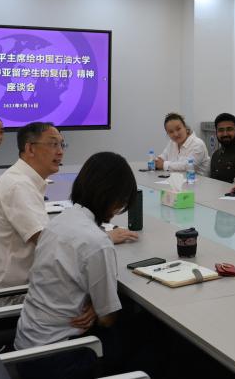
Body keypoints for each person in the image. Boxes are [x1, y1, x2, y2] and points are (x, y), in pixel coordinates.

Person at [14, 152, 149, 379]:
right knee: (153, 334)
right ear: (114, 199)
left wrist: (96, 305)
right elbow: (107, 319)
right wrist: (100, 307)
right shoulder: (97, 242)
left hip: (25, 349)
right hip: (60, 360)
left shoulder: (58, 222)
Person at [0, 122, 62, 297]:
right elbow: (47, 243)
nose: (60, 151)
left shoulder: (20, 179)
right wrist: (101, 239)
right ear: (30, 149)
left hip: (2, 288)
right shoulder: (18, 185)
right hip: (3, 299)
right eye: (53, 144)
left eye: (62, 145)